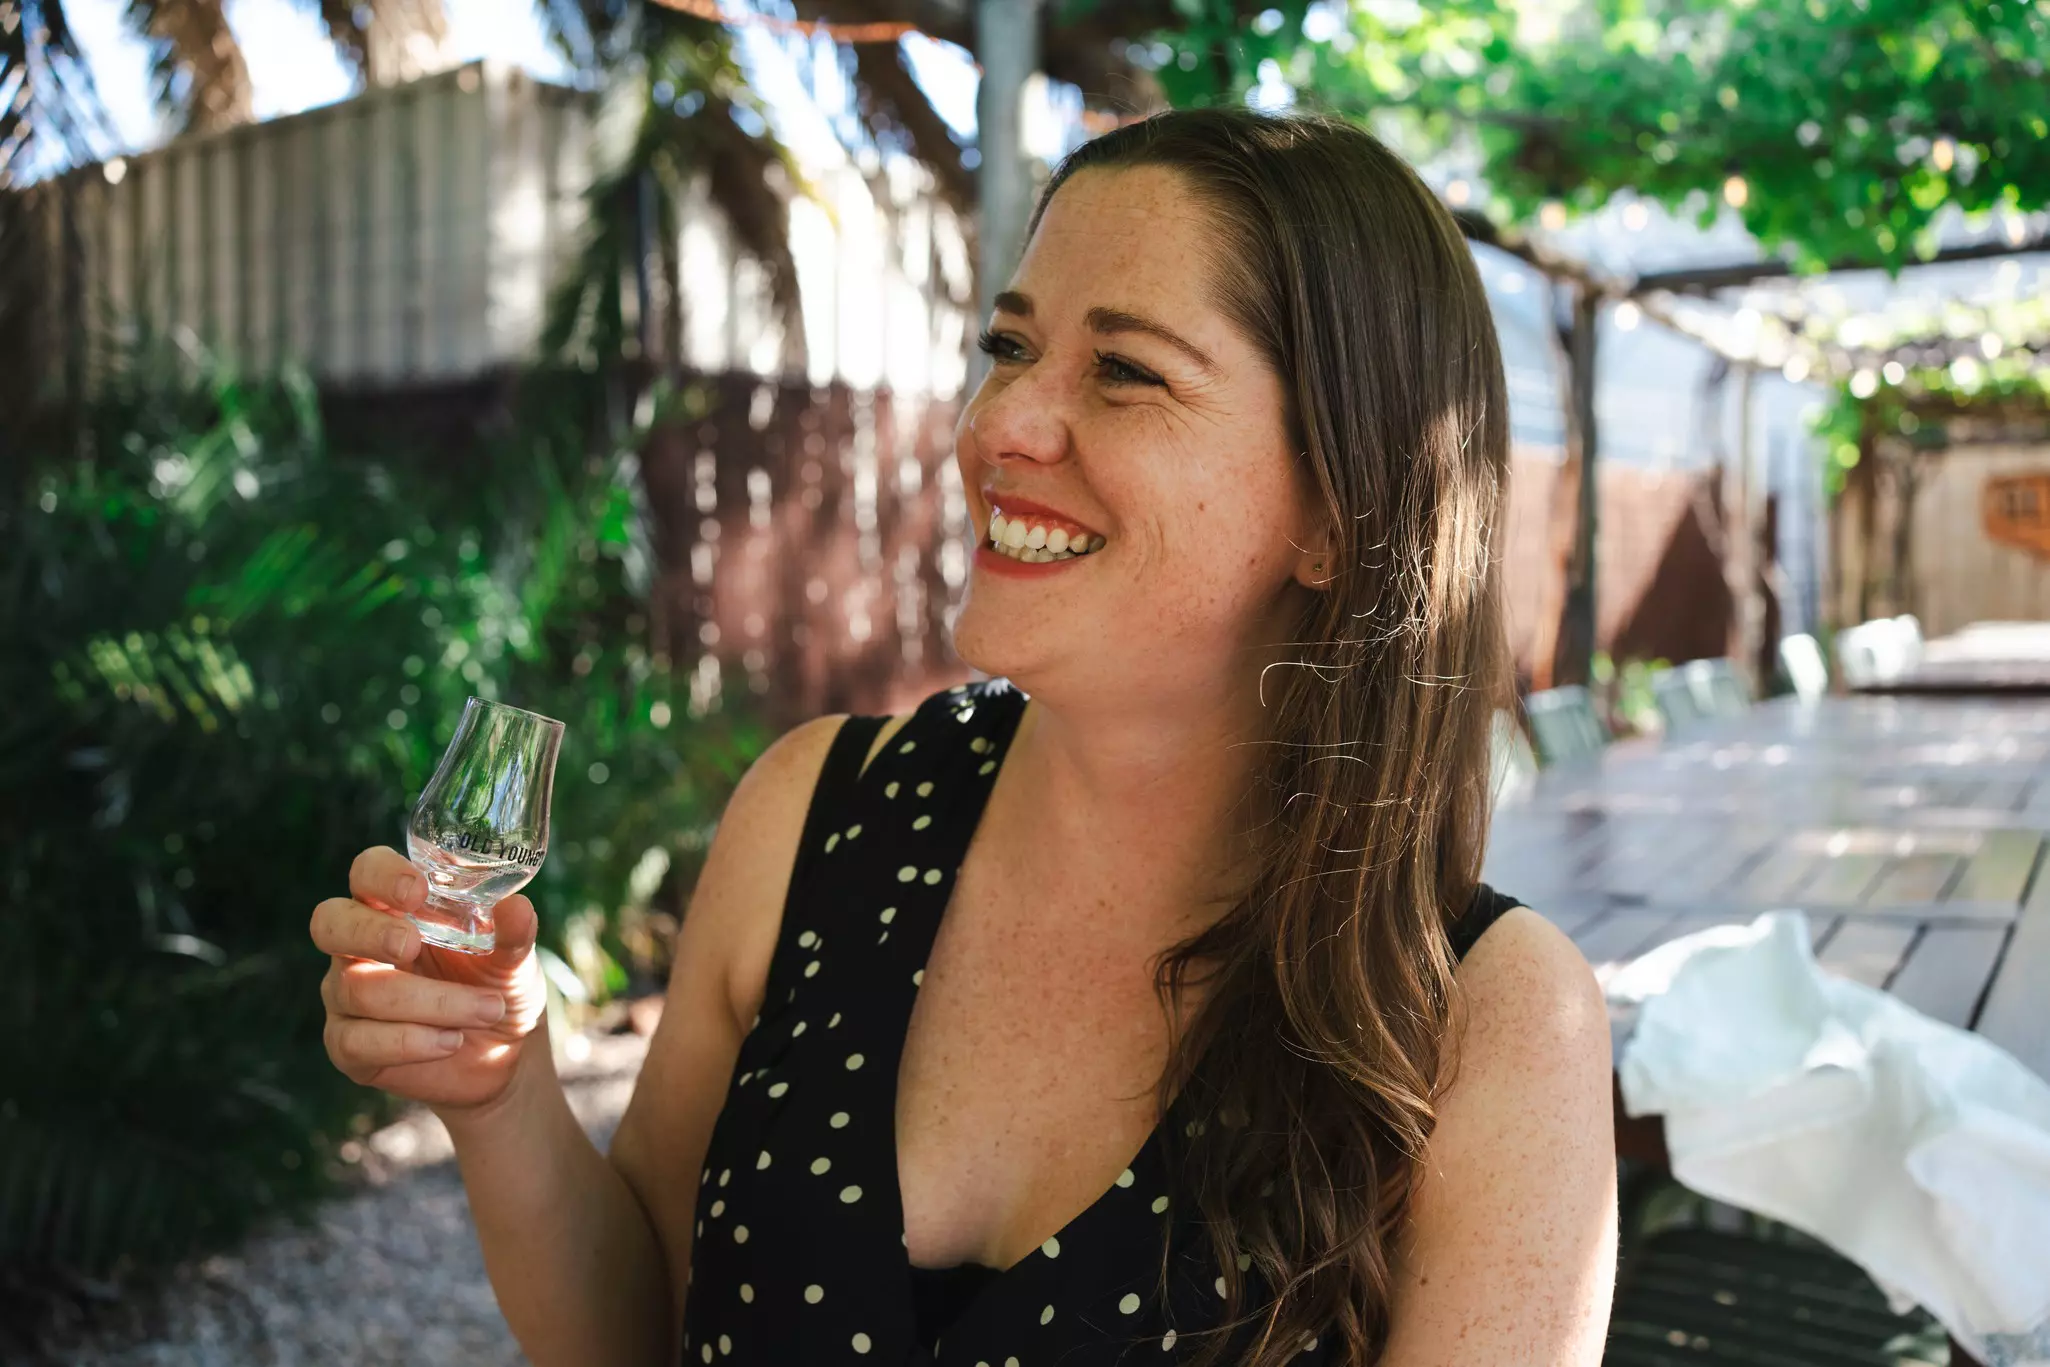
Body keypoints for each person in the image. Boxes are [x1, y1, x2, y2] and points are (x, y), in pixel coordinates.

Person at [312, 106, 1616, 1366]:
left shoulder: (1487, 1021)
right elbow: (640, 1325)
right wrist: (502, 1093)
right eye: (1009, 346)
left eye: (1124, 371)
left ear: (1336, 511)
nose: (998, 424)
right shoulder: (816, 813)